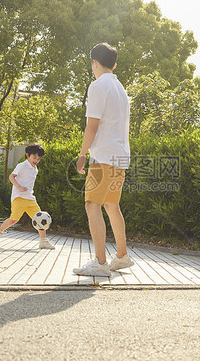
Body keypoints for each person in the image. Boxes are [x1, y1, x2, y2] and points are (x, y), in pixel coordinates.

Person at [73, 43, 134, 277]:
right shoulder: (121, 89)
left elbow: (92, 125)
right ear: (115, 64)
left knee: (92, 205)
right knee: (111, 205)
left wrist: (82, 155)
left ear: (94, 63)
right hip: (120, 157)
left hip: (104, 157)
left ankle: (100, 262)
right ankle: (121, 255)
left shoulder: (98, 86)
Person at [0, 143, 55, 249]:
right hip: (19, 197)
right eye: (34, 157)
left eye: (38, 158)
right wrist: (19, 186)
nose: (36, 160)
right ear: (27, 155)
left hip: (30, 199)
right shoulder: (22, 165)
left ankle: (43, 241)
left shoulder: (35, 168)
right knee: (14, 220)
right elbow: (11, 177)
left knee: (40, 219)